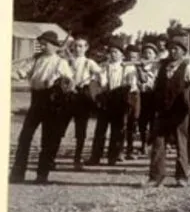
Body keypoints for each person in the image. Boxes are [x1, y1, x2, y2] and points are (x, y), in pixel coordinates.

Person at [10, 31, 74, 184]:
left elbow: (70, 83)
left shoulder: (61, 62)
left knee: (48, 139)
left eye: (45, 44)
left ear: (53, 45)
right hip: (36, 99)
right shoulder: (36, 59)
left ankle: (42, 175)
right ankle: (18, 174)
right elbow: (21, 73)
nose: (42, 46)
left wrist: (59, 83)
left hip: (52, 101)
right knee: (25, 136)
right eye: (41, 44)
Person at [145, 33, 190, 188]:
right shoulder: (161, 67)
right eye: (171, 49)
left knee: (181, 143)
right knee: (158, 143)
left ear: (183, 52)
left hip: (179, 112)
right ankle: (156, 177)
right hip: (162, 111)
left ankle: (182, 176)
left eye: (176, 49)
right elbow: (153, 84)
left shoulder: (187, 69)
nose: (173, 52)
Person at [55, 36, 103, 171]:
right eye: (75, 46)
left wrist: (95, 78)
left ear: (86, 48)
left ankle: (77, 159)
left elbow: (100, 74)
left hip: (82, 98)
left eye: (81, 46)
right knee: (59, 129)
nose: (78, 49)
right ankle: (50, 158)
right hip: (67, 97)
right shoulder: (65, 61)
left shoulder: (89, 62)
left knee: (80, 131)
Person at [87, 40, 138, 166]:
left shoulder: (128, 67)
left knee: (118, 130)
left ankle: (113, 157)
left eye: (116, 52)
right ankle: (95, 157)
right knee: (100, 130)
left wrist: (125, 92)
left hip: (120, 100)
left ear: (122, 55)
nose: (113, 54)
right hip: (105, 100)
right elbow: (95, 82)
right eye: (111, 52)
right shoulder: (103, 66)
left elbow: (131, 85)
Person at [136, 42, 160, 156]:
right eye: (145, 52)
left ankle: (151, 144)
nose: (147, 55)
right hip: (141, 95)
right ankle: (143, 144)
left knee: (153, 121)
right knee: (142, 121)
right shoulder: (138, 65)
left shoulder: (157, 66)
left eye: (150, 53)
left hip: (153, 96)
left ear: (155, 55)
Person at [124, 44, 143, 160]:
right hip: (124, 94)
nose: (132, 59)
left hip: (135, 94)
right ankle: (120, 150)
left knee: (133, 122)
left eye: (134, 57)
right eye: (130, 56)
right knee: (123, 123)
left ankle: (130, 150)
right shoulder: (122, 65)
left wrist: (139, 68)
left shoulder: (137, 67)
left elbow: (143, 80)